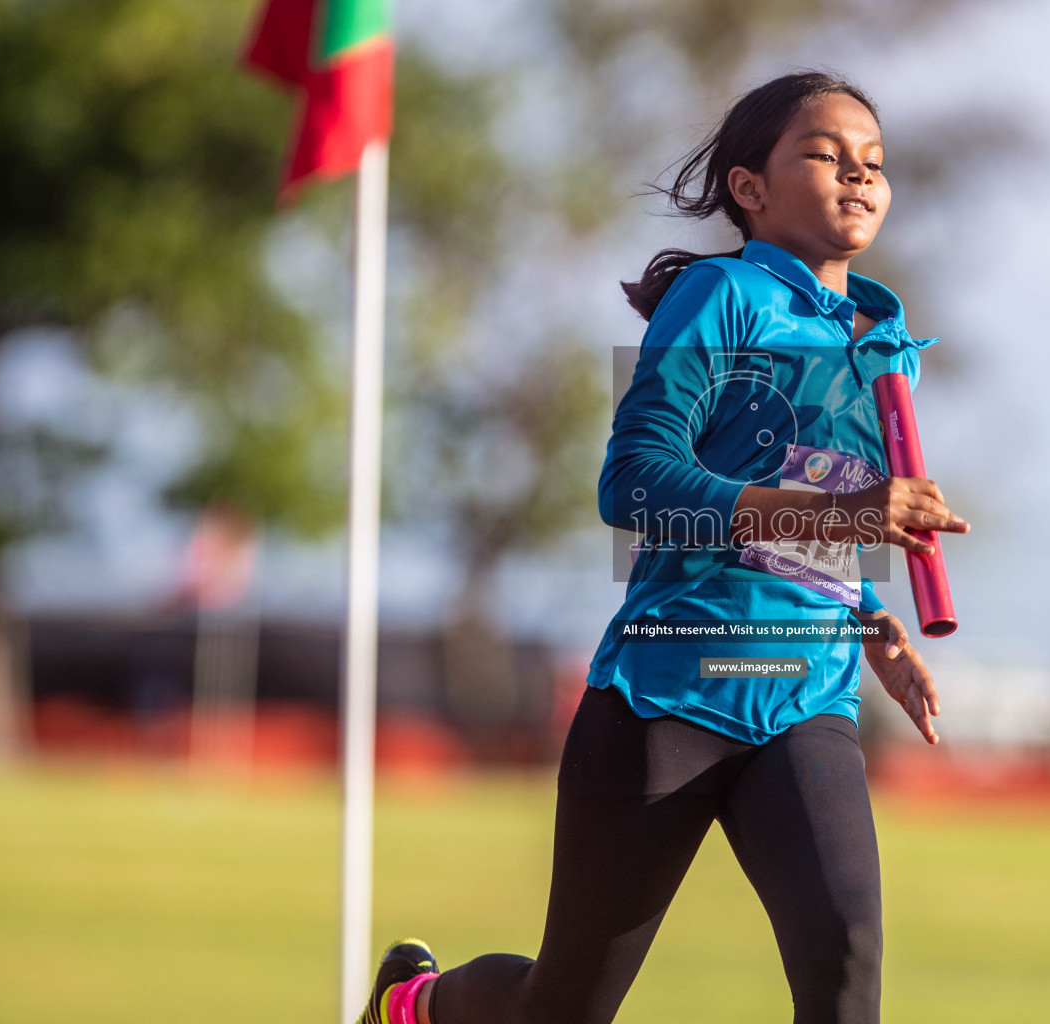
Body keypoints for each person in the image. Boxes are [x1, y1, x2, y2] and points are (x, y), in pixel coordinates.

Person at [357, 69, 970, 1024]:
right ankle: (419, 1007)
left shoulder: (883, 343)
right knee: (558, 1011)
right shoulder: (721, 298)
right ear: (749, 188)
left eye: (875, 163)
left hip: (806, 696)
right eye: (824, 154)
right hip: (670, 692)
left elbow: (806, 528)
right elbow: (634, 485)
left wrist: (868, 620)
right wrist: (846, 516)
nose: (858, 176)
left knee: (845, 969)